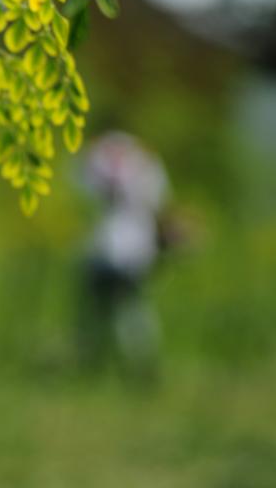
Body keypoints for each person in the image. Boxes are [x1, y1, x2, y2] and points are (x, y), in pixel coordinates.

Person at [77, 131, 169, 378]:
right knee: (99, 311)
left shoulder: (145, 166)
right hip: (104, 252)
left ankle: (138, 365)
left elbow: (153, 200)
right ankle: (95, 361)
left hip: (130, 253)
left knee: (128, 308)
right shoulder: (98, 161)